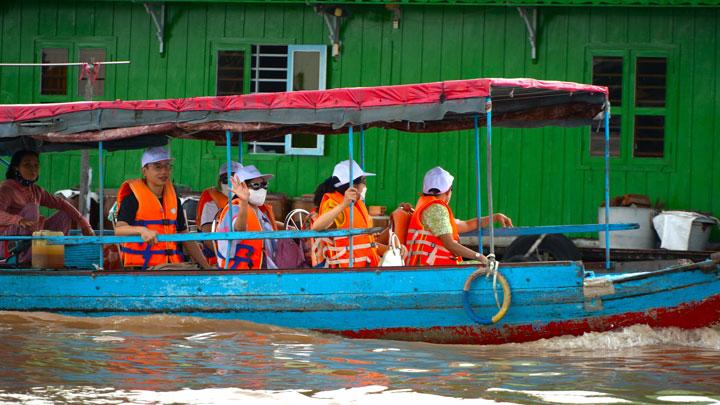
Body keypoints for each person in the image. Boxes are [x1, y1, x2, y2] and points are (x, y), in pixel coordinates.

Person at [114, 146, 210, 270]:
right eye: (157, 167)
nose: (164, 172)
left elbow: (184, 234)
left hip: (172, 264)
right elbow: (119, 230)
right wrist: (142, 230)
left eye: (167, 166)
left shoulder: (173, 198)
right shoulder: (133, 199)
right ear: (144, 171)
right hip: (145, 266)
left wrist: (207, 267)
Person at [405, 166, 513, 266]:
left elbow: (466, 225)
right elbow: (450, 244)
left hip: (429, 266)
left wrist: (494, 217)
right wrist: (479, 256)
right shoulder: (436, 209)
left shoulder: (426, 205)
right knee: (485, 266)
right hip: (433, 269)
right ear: (448, 191)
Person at [0, 150, 94, 263]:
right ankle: (23, 259)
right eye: (27, 165)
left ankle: (50, 253)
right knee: (32, 208)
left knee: (66, 214)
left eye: (36, 165)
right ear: (16, 168)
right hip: (6, 243)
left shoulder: (36, 190)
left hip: (32, 239)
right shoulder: (6, 188)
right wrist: (19, 220)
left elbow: (61, 203)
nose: (33, 169)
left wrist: (84, 224)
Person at [311, 160, 387, 268]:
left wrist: (391, 249)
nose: (365, 185)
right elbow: (316, 227)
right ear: (353, 186)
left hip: (365, 268)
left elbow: (364, 243)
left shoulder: (356, 204)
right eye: (363, 181)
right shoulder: (334, 204)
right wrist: (343, 205)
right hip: (346, 271)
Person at [214, 165, 279, 269]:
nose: (261, 189)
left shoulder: (260, 212)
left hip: (262, 270)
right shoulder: (234, 208)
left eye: (264, 184)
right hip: (240, 273)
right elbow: (239, 229)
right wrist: (244, 202)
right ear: (241, 187)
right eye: (256, 185)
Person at [196, 161, 242, 265]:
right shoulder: (211, 204)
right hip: (220, 258)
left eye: (235, 179)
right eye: (226, 179)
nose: (230, 183)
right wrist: (225, 258)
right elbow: (208, 238)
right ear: (219, 182)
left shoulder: (245, 202)